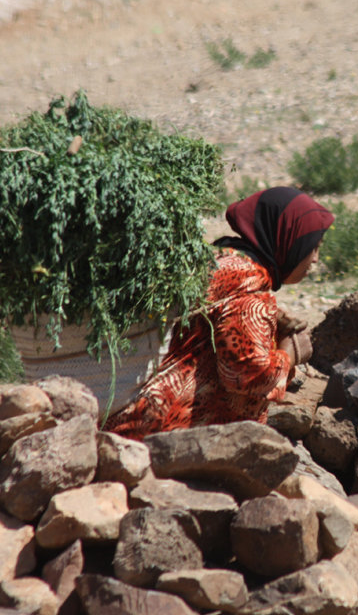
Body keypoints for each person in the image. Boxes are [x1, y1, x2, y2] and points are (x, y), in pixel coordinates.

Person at [104, 186, 334, 440]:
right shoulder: (252, 292)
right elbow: (248, 376)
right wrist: (289, 354)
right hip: (164, 431)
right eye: (313, 248)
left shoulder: (221, 258)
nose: (315, 259)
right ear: (289, 240)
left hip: (133, 410)